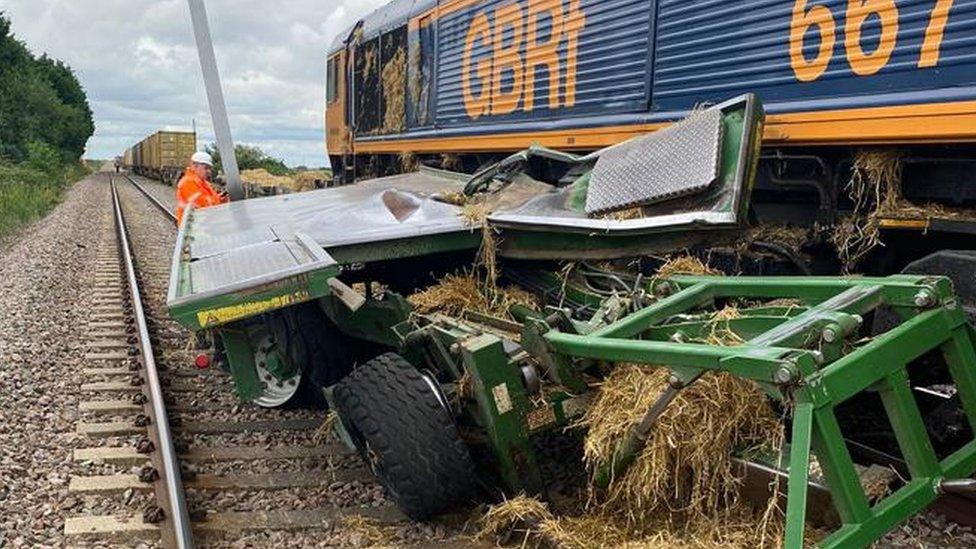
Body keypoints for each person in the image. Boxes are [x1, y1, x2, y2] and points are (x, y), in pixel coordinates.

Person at [175, 151, 227, 225]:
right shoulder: (187, 183)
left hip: (202, 226)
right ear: (194, 166)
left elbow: (210, 200)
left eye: (210, 168)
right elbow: (203, 206)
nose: (209, 171)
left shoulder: (204, 183)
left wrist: (221, 199)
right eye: (206, 168)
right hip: (191, 228)